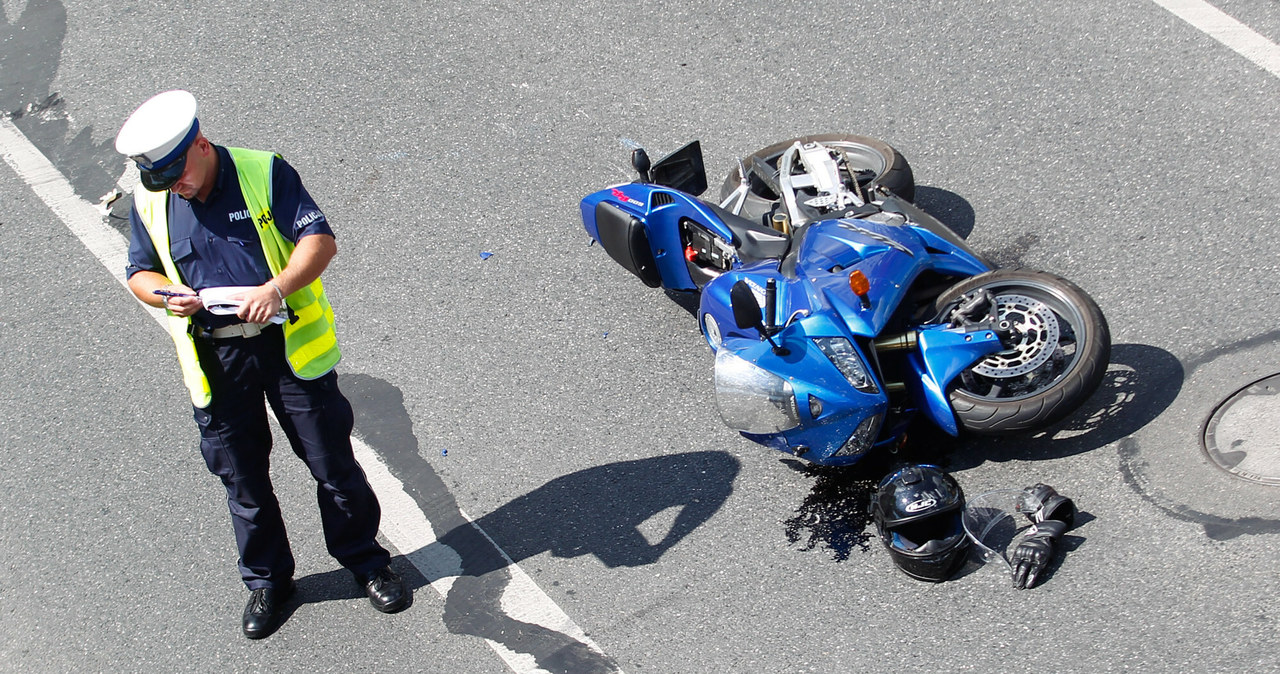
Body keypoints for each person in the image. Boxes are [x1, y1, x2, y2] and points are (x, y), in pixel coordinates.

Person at [116, 90, 410, 639]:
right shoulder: (151, 198)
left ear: (200, 145)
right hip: (217, 355)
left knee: (332, 465)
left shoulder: (262, 171)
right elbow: (139, 270)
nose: (174, 186)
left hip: (286, 346)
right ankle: (269, 582)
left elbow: (319, 241)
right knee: (242, 479)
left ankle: (367, 562)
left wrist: (276, 289)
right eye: (162, 180)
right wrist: (163, 295)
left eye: (178, 173)